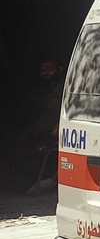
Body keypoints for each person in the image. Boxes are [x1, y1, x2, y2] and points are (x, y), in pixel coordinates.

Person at [22, 59, 62, 195]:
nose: (46, 72)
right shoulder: (40, 87)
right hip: (39, 129)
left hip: (56, 129)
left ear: (58, 69)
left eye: (49, 68)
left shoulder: (62, 87)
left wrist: (59, 125)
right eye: (43, 69)